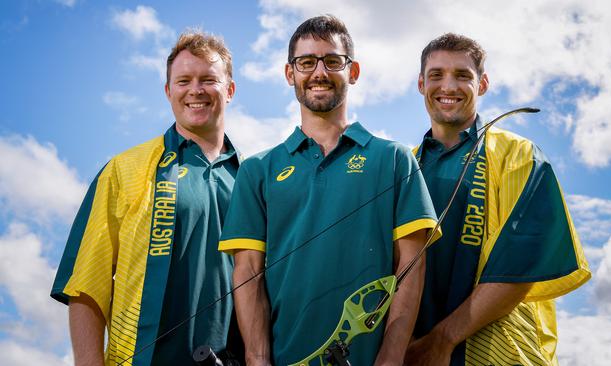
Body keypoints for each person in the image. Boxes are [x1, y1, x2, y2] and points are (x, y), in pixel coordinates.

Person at [219, 15, 439, 366]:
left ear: (353, 72)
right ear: (290, 74)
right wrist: (258, 360)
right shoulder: (257, 170)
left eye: (332, 61)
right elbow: (247, 273)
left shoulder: (394, 158)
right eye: (306, 62)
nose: (319, 72)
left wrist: (391, 357)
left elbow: (411, 267)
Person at [51, 30, 242, 365]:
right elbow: (85, 285)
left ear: (230, 90)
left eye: (208, 79)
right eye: (183, 81)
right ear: (168, 91)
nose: (195, 90)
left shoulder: (253, 179)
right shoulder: (124, 169)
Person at [405, 33, 591, 366]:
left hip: (500, 354)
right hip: (412, 353)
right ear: (421, 83)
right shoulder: (403, 166)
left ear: (483, 84)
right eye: (436, 75)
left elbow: (519, 267)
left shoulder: (520, 155)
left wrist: (441, 341)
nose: (448, 86)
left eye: (462, 75)